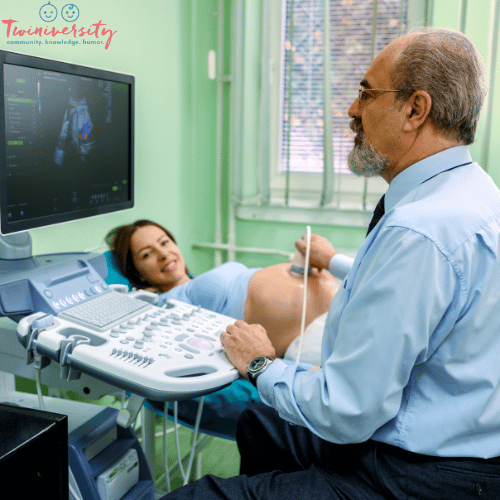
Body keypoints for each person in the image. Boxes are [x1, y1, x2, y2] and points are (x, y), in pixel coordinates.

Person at [162, 27, 500, 499]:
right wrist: (334, 261)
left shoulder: (419, 230)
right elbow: (426, 286)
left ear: (414, 109)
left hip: (419, 475)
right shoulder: (470, 194)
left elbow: (348, 410)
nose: (351, 109)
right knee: (262, 423)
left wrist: (261, 364)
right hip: (458, 442)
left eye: (365, 92)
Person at [105, 219, 339, 361]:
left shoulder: (195, 282)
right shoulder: (166, 304)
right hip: (314, 338)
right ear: (138, 275)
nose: (164, 254)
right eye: (147, 254)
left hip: (337, 311)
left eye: (164, 242)